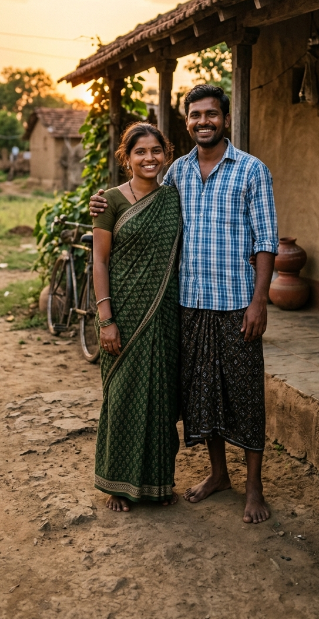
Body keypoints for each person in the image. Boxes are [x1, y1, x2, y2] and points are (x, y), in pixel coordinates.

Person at [90, 84, 278, 524]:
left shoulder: (252, 170)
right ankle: (218, 475)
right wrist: (101, 201)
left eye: (211, 114)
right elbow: (128, 199)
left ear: (225, 119)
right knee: (202, 396)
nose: (203, 122)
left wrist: (259, 301)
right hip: (190, 305)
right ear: (187, 121)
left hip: (235, 304)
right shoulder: (177, 174)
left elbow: (266, 240)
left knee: (247, 396)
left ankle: (254, 486)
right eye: (195, 115)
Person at [92, 122, 181, 512]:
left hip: (165, 315)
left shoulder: (174, 198)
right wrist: (106, 319)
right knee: (124, 395)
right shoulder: (110, 200)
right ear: (126, 157)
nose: (149, 158)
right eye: (140, 152)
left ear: (167, 154)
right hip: (124, 313)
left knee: (161, 399)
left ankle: (157, 485)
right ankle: (118, 485)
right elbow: (98, 259)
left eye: (156, 151)